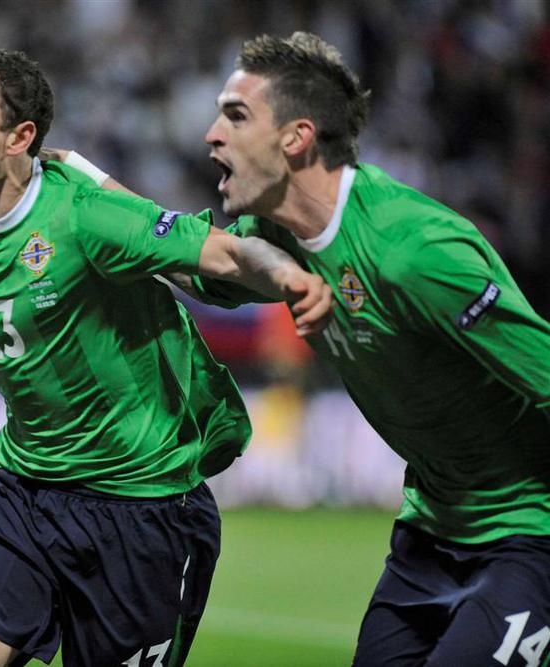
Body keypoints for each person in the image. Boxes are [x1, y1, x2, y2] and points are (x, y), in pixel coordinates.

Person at [0, 46, 332, 667]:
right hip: (23, 494)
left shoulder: (88, 215)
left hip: (141, 507)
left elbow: (224, 255)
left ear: (19, 136)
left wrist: (291, 275)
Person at [66, 30, 550, 667]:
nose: (211, 134)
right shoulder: (276, 237)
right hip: (431, 534)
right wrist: (81, 179)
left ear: (296, 138)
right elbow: (186, 256)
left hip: (532, 535)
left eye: (236, 116)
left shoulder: (412, 251)